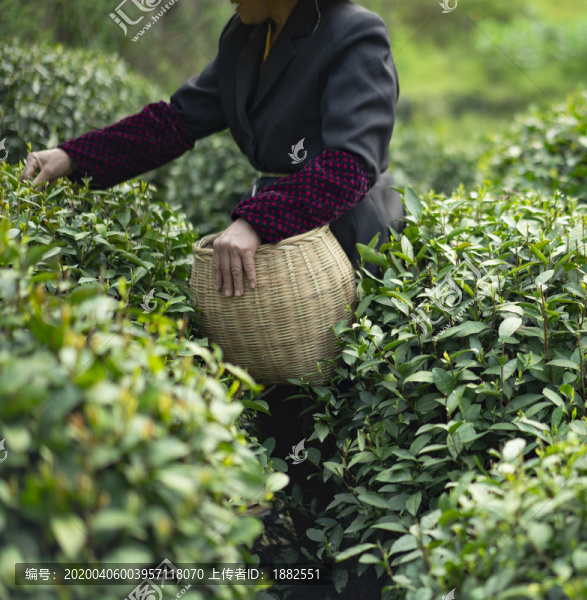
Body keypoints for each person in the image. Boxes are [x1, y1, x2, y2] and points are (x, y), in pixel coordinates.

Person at [19, 1, 401, 597]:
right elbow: (176, 121)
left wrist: (256, 221)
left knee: (331, 425)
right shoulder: (247, 36)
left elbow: (350, 166)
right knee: (276, 414)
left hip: (342, 248)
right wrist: (75, 157)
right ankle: (292, 564)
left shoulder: (354, 33)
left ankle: (348, 574)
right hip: (280, 250)